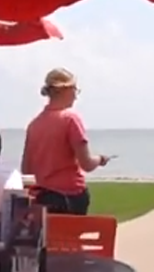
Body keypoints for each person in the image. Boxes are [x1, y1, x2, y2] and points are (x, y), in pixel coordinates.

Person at [21, 68, 110, 215]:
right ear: (64, 90)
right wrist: (100, 159)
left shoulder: (35, 124)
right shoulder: (70, 120)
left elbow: (26, 170)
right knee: (70, 236)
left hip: (41, 198)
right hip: (69, 197)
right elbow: (86, 164)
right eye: (75, 89)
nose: (76, 96)